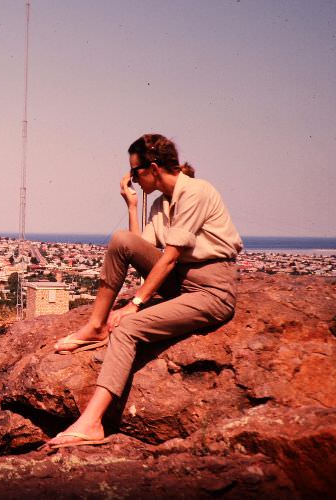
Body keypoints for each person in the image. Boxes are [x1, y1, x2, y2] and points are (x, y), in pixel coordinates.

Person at [46, 133, 242, 448]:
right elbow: (140, 247)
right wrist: (132, 204)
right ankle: (96, 326)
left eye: (135, 172)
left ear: (152, 167)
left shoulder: (196, 192)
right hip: (180, 280)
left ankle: (92, 422)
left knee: (128, 328)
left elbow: (171, 256)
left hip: (211, 290)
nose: (133, 179)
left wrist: (134, 304)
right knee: (121, 240)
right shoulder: (161, 204)